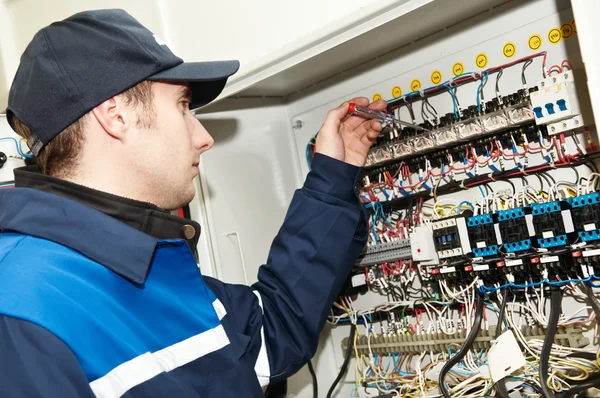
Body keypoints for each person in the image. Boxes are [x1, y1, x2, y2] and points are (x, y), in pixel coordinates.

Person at [0, 9, 385, 398]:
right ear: (115, 116)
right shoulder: (21, 311)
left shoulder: (149, 266)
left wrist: (334, 173)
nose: (203, 137)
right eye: (183, 106)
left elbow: (269, 335)